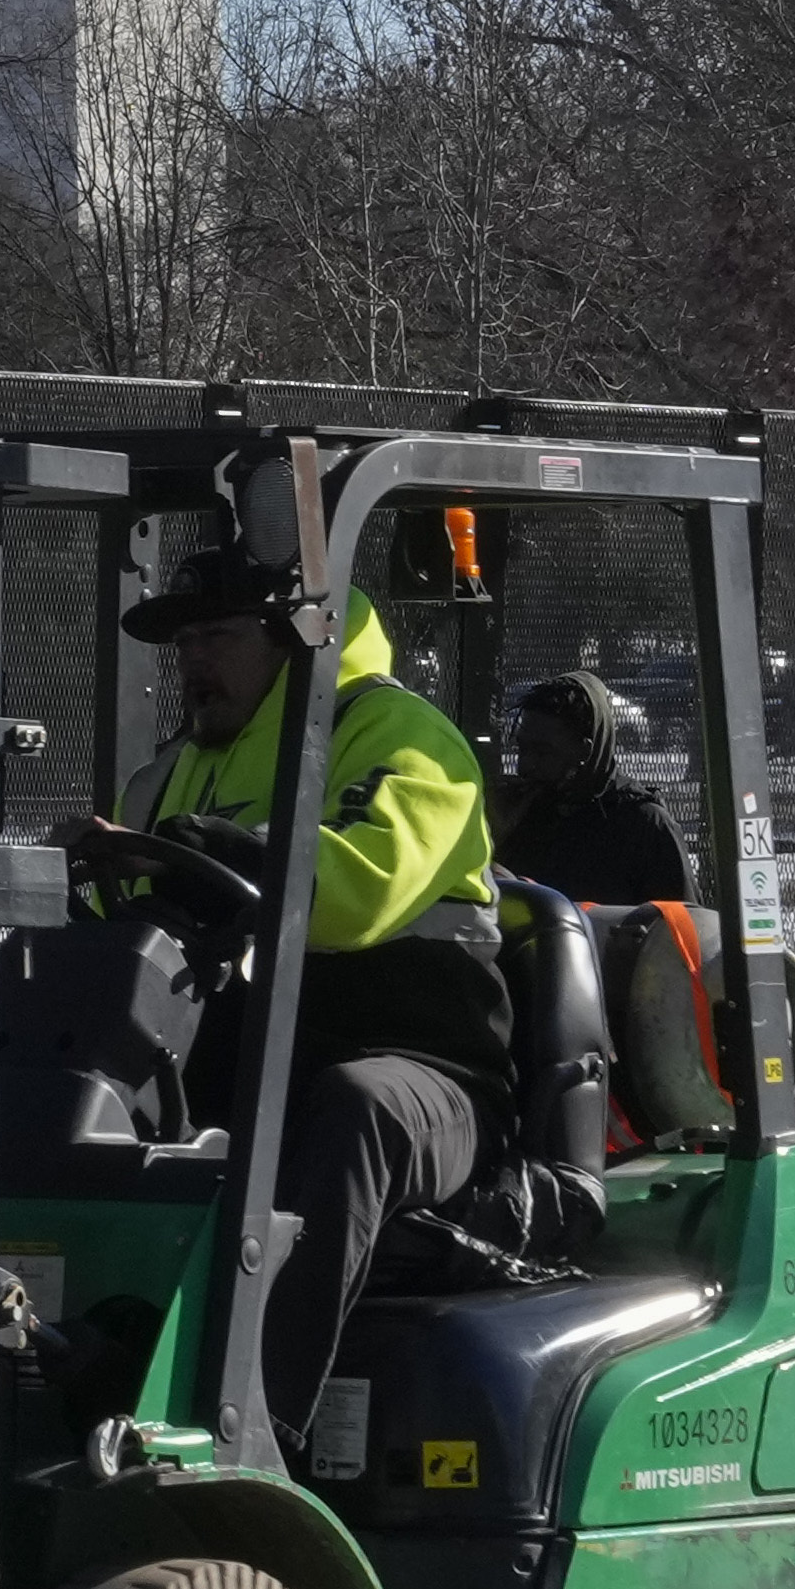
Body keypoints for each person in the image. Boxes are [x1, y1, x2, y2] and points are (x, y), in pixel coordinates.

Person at [92, 540, 585, 1386]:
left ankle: (257, 1418)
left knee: (353, 1108)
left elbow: (353, 889)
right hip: (254, 1063)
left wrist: (187, 854)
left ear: (294, 635)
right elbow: (116, 920)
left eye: (218, 636)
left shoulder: (405, 741)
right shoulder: (170, 773)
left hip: (431, 1076)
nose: (193, 662)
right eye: (184, 644)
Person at [491, 672, 698, 908]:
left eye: (543, 753)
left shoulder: (641, 823)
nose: (524, 766)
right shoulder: (522, 811)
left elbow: (681, 926)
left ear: (584, 751)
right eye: (522, 748)